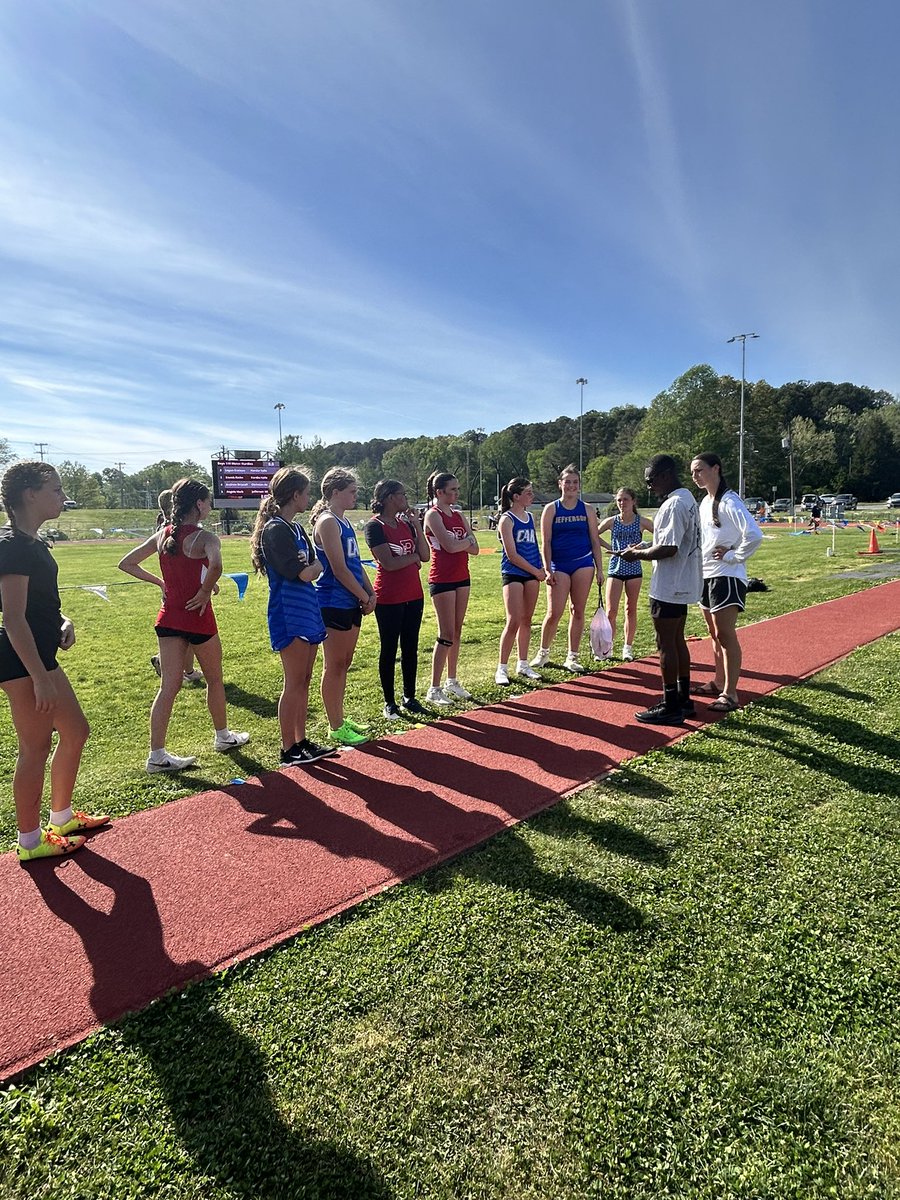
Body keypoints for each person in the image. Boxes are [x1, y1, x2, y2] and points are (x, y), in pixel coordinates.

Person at [1, 462, 109, 861]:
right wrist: (39, 677)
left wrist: (64, 621)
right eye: (56, 490)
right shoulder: (12, 545)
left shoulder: (32, 543)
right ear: (30, 494)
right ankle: (30, 841)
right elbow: (12, 617)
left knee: (76, 731)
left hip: (40, 656)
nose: (63, 497)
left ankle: (61, 818)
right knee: (35, 747)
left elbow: (38, 606)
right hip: (22, 661)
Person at [118, 477, 249, 772]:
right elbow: (216, 564)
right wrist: (204, 591)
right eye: (208, 501)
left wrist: (162, 582)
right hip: (198, 619)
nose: (211, 506)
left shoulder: (163, 535)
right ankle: (223, 737)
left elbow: (126, 562)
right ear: (199, 504)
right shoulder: (206, 538)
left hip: (169, 617)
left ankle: (157, 755)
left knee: (168, 687)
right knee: (215, 679)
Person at [249, 467, 337, 765]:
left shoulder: (297, 529)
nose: (309, 498)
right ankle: (288, 749)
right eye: (307, 492)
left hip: (307, 606)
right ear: (295, 495)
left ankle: (302, 741)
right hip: (289, 610)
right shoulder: (275, 530)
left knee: (305, 679)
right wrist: (310, 569)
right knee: (294, 680)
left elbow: (316, 565)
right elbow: (301, 572)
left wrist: (310, 568)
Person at [619, 454, 702, 725]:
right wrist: (643, 547)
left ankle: (670, 705)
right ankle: (683, 698)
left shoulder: (673, 504)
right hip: (683, 580)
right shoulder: (688, 499)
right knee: (677, 640)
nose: (649, 486)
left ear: (665, 475)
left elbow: (668, 548)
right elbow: (668, 541)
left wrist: (637, 556)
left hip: (669, 583)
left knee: (665, 643)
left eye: (650, 480)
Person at [689, 453, 763, 712]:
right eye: (692, 472)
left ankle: (731, 694)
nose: (695, 476)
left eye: (699, 470)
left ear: (716, 469)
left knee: (725, 634)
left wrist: (733, 556)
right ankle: (719, 681)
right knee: (713, 633)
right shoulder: (704, 501)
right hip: (707, 574)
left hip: (727, 576)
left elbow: (754, 534)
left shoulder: (729, 501)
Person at [310, 468, 376, 746]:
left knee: (344, 663)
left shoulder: (345, 522)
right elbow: (338, 569)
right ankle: (335, 725)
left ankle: (339, 717)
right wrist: (363, 595)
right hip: (333, 600)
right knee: (335, 664)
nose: (355, 495)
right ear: (335, 492)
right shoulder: (327, 522)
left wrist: (370, 592)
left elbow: (355, 564)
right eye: (351, 491)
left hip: (349, 599)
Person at [363, 480, 430, 720]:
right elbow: (388, 564)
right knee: (389, 648)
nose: (406, 498)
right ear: (390, 497)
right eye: (402, 494)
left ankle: (409, 697)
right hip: (389, 597)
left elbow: (425, 555)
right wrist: (412, 558)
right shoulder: (375, 526)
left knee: (410, 647)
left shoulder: (406, 524)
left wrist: (417, 526)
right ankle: (389, 702)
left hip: (414, 594)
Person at [531, 464, 605, 673]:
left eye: (575, 482)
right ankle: (543, 653)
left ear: (579, 485)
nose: (571, 486)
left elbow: (594, 540)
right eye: (568, 482)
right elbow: (545, 541)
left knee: (578, 610)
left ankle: (572, 656)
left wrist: (599, 569)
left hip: (583, 563)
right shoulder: (551, 509)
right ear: (560, 484)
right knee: (554, 612)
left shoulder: (587, 509)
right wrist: (547, 569)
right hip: (559, 565)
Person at [423, 471, 479, 706]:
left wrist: (462, 543)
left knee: (456, 631)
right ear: (439, 492)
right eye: (453, 489)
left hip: (461, 577)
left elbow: (473, 548)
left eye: (457, 489)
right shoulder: (432, 515)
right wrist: (464, 543)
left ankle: (452, 680)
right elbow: (449, 546)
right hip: (442, 579)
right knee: (445, 633)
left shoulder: (457, 515)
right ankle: (434, 687)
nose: (457, 493)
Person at [494, 477, 545, 684]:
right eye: (528, 493)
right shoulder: (507, 519)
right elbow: (512, 554)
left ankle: (523, 664)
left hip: (532, 574)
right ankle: (502, 668)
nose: (532, 496)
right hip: (514, 573)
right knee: (513, 620)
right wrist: (535, 570)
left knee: (526, 620)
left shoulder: (530, 517)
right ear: (516, 496)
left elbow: (533, 546)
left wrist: (541, 569)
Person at [150, 488, 204, 686]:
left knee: (183, 634)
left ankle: (186, 670)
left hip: (175, 591)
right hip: (183, 592)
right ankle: (171, 665)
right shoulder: (172, 531)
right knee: (185, 633)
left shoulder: (165, 530)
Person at [597, 488, 654, 661]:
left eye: (626, 500)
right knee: (611, 611)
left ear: (634, 501)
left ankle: (627, 647)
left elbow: (662, 535)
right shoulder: (612, 521)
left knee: (630, 609)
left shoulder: (641, 521)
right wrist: (609, 548)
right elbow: (593, 534)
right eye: (619, 500)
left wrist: (643, 546)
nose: (622, 503)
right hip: (615, 569)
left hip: (634, 569)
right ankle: (607, 646)